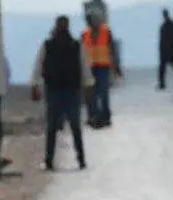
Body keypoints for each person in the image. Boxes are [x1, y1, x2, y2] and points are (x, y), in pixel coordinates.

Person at [30, 15, 90, 170]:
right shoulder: (74, 45)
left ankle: (51, 160)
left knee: (55, 127)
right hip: (67, 90)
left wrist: (35, 84)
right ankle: (79, 160)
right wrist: (88, 85)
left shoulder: (52, 45)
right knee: (72, 126)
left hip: (58, 90)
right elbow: (84, 66)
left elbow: (39, 64)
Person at [81, 11, 118, 128]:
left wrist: (115, 66)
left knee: (103, 93)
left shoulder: (106, 32)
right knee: (91, 93)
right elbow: (81, 52)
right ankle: (93, 116)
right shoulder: (84, 34)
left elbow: (112, 49)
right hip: (90, 67)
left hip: (103, 66)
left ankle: (105, 117)